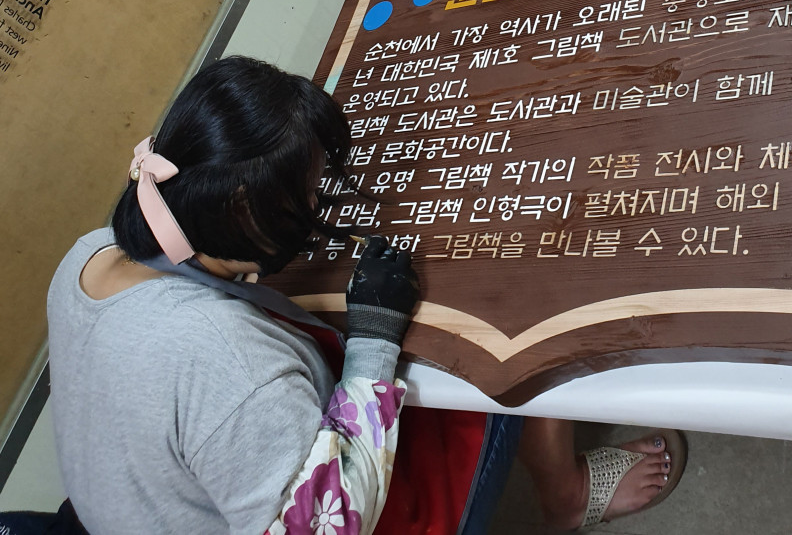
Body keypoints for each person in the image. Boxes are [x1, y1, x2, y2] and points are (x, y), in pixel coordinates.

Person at [29, 56, 686, 535]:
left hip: (144, 507)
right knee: (503, 335)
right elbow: (330, 521)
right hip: (332, 515)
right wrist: (373, 340)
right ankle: (564, 494)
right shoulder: (220, 360)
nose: (320, 204)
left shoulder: (92, 252)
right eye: (309, 195)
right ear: (242, 208)